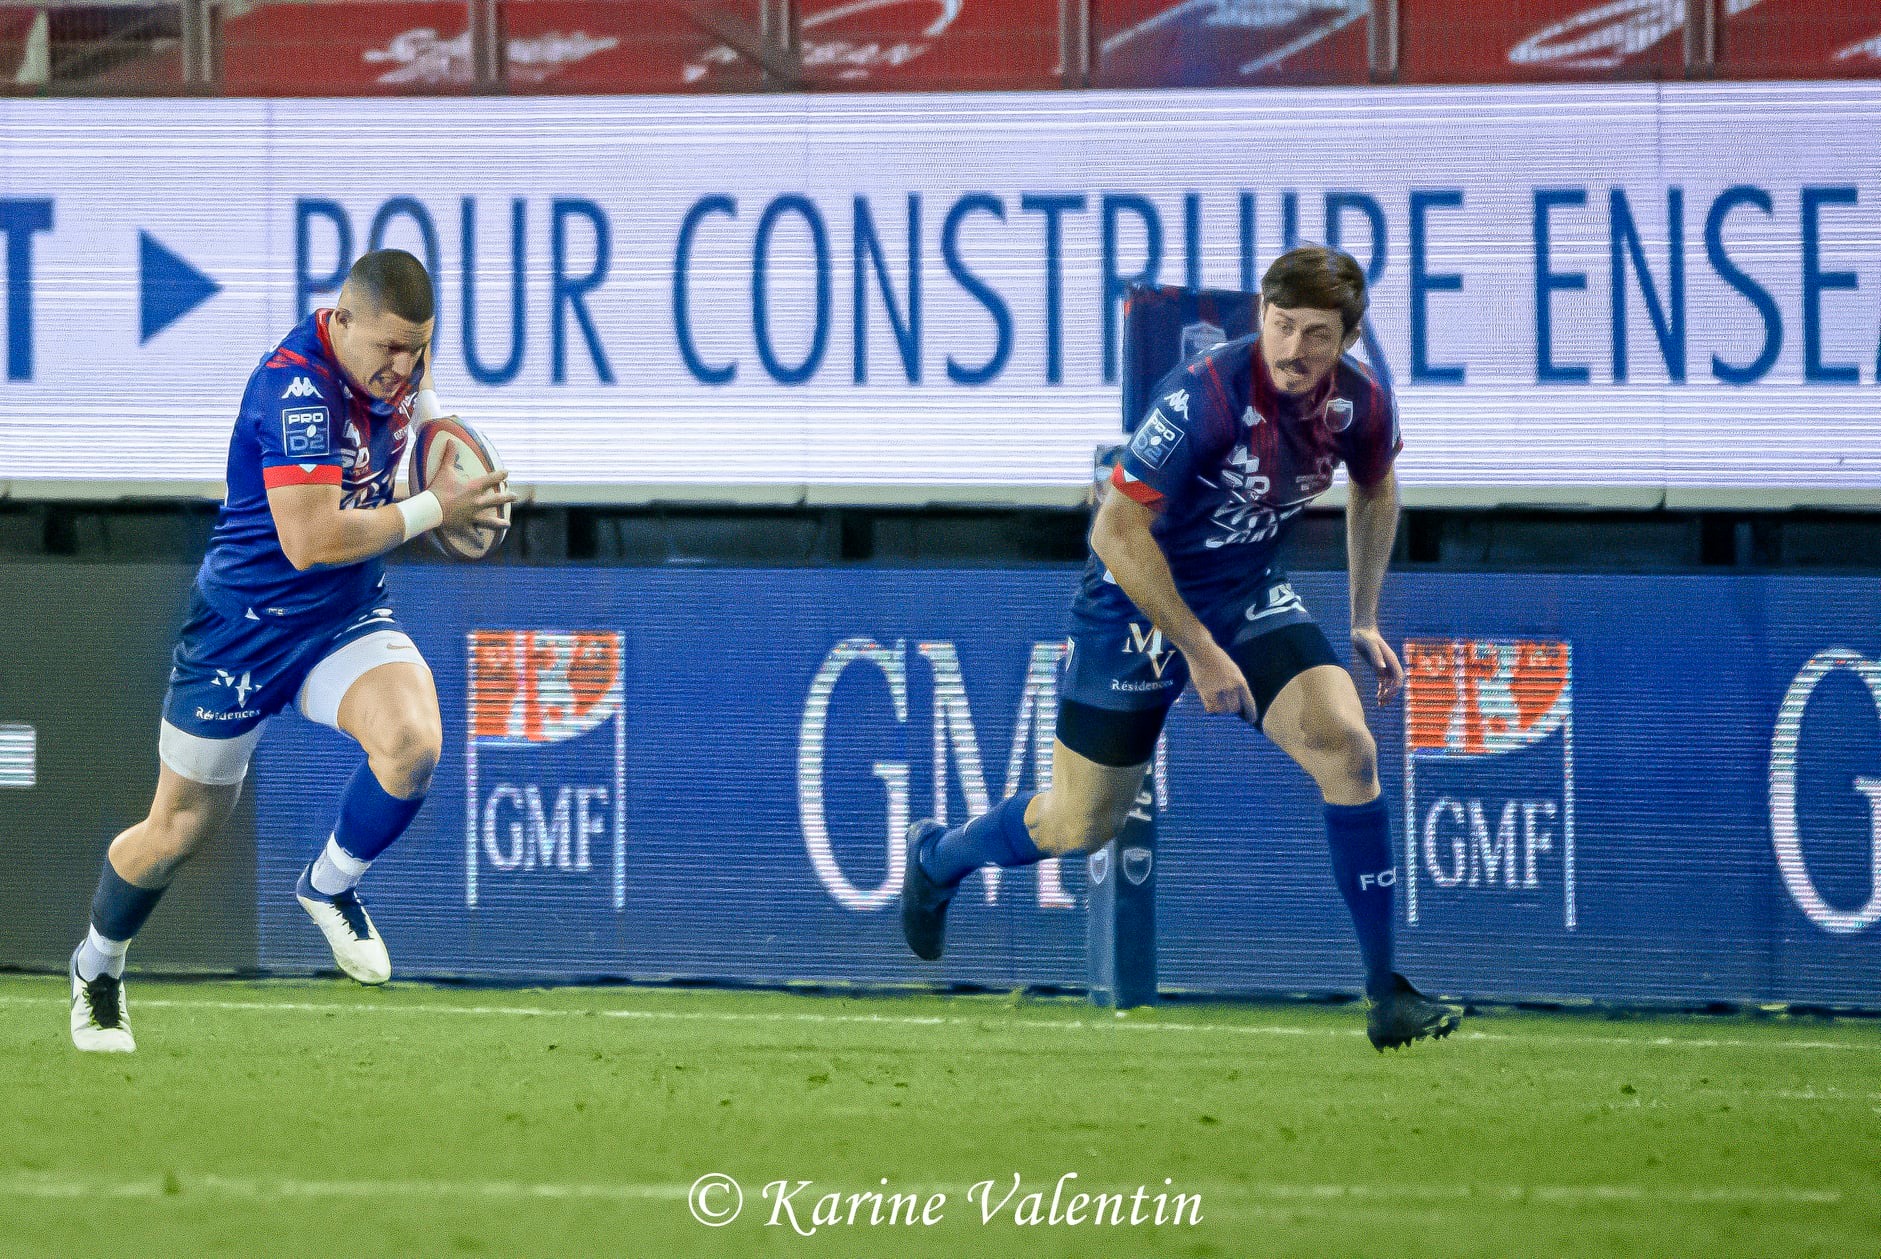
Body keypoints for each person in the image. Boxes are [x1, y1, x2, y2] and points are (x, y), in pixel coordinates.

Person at [900, 246, 1461, 1052]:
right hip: (1132, 598)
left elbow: (1374, 486)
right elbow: (1115, 531)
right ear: (1259, 315)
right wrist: (1194, 648)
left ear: (1346, 338)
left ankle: (1384, 994)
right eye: (1280, 324)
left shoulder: (1362, 405)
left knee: (1348, 748)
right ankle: (939, 858)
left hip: (1240, 591)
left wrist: (1363, 614)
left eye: (1315, 334)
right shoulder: (1205, 395)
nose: (1293, 348)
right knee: (1078, 822)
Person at [68, 249, 514, 1052]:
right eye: (388, 348)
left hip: (342, 617)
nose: (404, 366)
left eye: (419, 348)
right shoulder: (295, 386)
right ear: (340, 322)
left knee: (414, 744)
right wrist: (432, 506)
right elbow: (310, 539)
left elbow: (429, 430)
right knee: (175, 830)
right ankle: (98, 967)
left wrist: (465, 473)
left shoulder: (398, 362)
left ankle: (329, 885)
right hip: (244, 628)